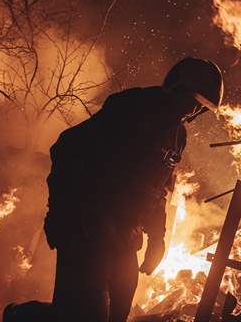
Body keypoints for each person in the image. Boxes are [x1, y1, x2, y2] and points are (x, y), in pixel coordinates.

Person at [43, 57, 224, 322]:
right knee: (82, 314)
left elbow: (157, 190)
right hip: (86, 232)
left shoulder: (177, 135)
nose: (193, 112)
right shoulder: (131, 107)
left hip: (124, 237)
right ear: (177, 90)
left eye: (200, 108)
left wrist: (156, 238)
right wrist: (65, 212)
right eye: (193, 103)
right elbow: (66, 148)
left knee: (117, 314)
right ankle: (20, 315)